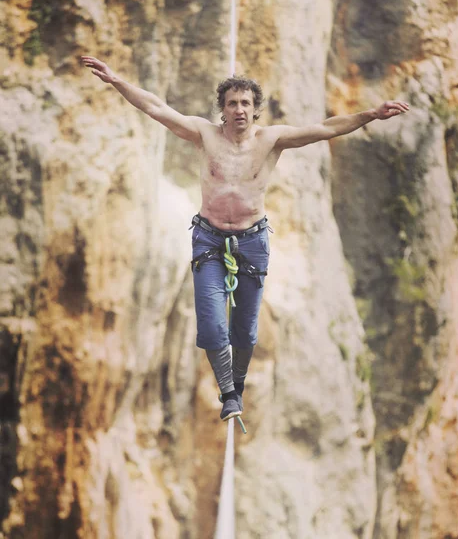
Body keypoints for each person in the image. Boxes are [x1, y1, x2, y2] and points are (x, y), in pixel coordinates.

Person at [81, 55, 409, 422]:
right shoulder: (203, 134)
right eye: (232, 103)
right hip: (209, 240)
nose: (239, 109)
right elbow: (157, 107)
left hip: (252, 242)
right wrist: (116, 80)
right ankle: (229, 394)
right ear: (222, 110)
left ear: (255, 111)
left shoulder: (272, 139)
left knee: (246, 331)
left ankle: (237, 381)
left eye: (246, 104)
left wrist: (369, 115)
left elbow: (326, 128)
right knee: (210, 324)